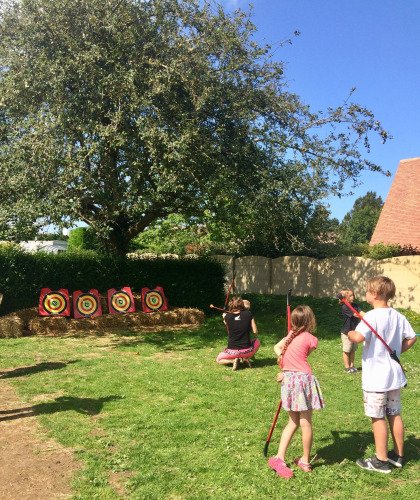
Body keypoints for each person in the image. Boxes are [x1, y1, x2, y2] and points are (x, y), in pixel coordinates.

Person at [348, 276, 417, 474]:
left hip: (376, 377)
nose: (366, 293)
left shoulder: (370, 316)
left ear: (375, 294)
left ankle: (381, 460)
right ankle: (398, 455)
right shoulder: (397, 315)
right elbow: (412, 337)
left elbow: (359, 337)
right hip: (393, 375)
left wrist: (351, 333)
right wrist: (396, 351)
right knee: (394, 413)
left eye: (368, 290)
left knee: (377, 417)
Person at [268, 305, 325, 479]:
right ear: (310, 321)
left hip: (289, 380)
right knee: (305, 422)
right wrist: (283, 358)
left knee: (293, 421)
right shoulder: (311, 339)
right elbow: (305, 354)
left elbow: (277, 347)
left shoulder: (289, 337)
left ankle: (280, 456)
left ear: (293, 321)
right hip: (303, 380)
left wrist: (282, 357)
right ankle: (305, 460)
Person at [216, 296, 260, 370]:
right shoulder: (248, 314)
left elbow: (228, 323)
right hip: (247, 350)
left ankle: (233, 361)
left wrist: (224, 317)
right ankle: (247, 359)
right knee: (257, 341)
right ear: (241, 304)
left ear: (231, 304)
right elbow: (255, 331)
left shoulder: (227, 317)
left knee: (219, 360)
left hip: (232, 352)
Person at [339, 288, 365, 373]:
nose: (352, 297)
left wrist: (369, 316)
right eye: (350, 296)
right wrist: (363, 317)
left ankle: (352, 366)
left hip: (355, 331)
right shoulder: (345, 307)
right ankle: (347, 367)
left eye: (353, 295)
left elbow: (361, 313)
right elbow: (356, 315)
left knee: (353, 349)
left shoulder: (355, 305)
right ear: (345, 297)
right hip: (347, 332)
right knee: (347, 350)